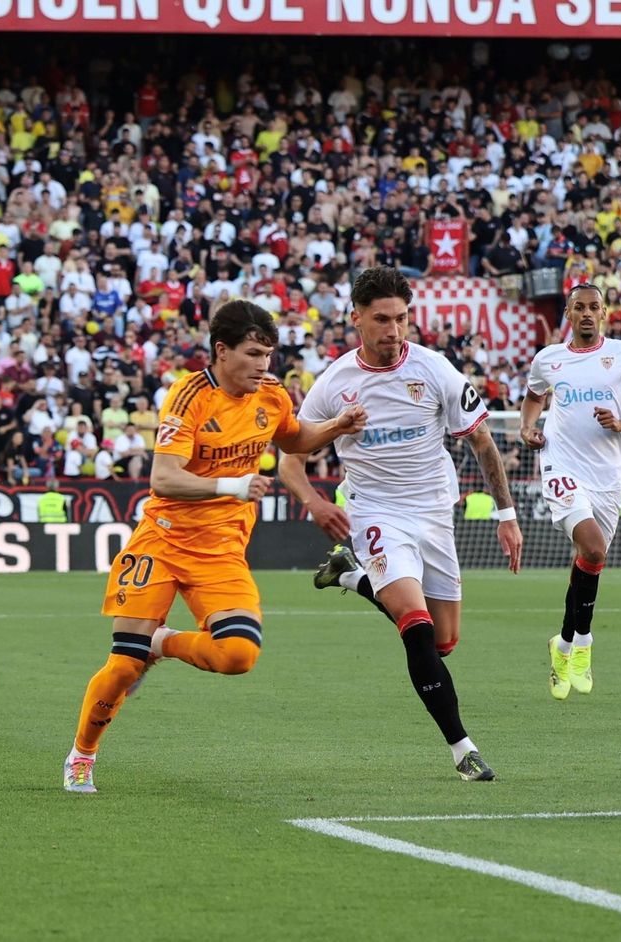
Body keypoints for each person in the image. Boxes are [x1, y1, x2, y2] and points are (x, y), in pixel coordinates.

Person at [63, 300, 365, 794]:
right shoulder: (189, 398)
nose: (264, 364)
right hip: (163, 540)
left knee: (238, 655)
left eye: (268, 353)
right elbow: (163, 477)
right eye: (252, 353)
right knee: (122, 665)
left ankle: (162, 643)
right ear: (221, 351)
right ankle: (83, 754)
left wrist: (336, 426)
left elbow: (293, 440)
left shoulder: (271, 394)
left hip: (222, 550)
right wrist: (232, 486)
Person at [280, 266, 523, 782]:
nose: (394, 331)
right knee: (415, 627)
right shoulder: (335, 384)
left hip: (434, 514)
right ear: (357, 320)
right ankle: (464, 750)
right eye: (383, 320)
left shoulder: (435, 370)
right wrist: (315, 503)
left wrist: (507, 515)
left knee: (443, 643)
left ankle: (350, 576)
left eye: (402, 319)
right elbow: (290, 456)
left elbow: (482, 443)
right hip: (376, 513)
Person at [516, 283, 621, 699]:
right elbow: (533, 399)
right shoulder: (549, 359)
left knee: (589, 561)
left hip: (608, 476)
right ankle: (583, 644)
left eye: (593, 307)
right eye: (578, 307)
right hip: (561, 466)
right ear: (567, 312)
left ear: (604, 312)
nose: (586, 313)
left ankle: (562, 642)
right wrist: (528, 428)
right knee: (594, 549)